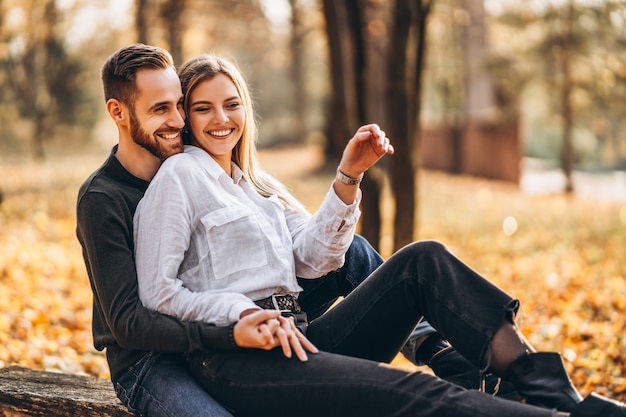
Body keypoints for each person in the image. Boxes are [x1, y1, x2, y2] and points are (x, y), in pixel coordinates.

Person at [133, 52, 626, 417]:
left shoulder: (258, 188)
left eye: (231, 104)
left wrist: (348, 177)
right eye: (203, 109)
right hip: (241, 361)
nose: (221, 119)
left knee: (423, 259)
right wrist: (239, 311)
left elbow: (315, 260)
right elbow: (158, 293)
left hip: (305, 338)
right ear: (187, 119)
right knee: (417, 395)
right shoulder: (181, 179)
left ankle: (553, 394)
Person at [75, 43, 491, 417]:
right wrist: (233, 328)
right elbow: (131, 321)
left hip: (226, 324)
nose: (178, 120)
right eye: (162, 109)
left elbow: (310, 254)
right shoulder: (105, 197)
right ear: (118, 112)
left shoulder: (213, 175)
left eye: (179, 106)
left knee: (358, 252)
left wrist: (347, 178)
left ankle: (436, 348)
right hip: (150, 359)